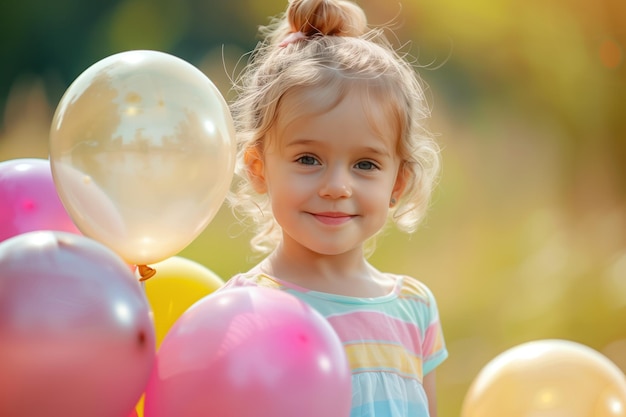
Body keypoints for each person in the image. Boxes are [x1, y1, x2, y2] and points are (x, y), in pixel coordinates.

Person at [221, 0, 447, 415]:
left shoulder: (414, 309)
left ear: (397, 182)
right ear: (258, 168)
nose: (337, 187)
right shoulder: (241, 312)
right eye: (308, 159)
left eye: (365, 164)